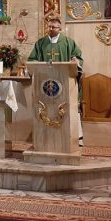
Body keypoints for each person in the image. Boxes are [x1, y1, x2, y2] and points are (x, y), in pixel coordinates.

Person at [28, 15, 84, 144]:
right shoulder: (40, 43)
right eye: (49, 27)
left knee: (69, 107)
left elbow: (78, 59)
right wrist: (35, 63)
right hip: (45, 83)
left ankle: (75, 138)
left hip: (65, 82)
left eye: (54, 27)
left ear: (60, 28)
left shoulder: (69, 42)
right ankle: (46, 138)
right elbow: (32, 60)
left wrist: (75, 61)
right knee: (46, 107)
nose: (51, 29)